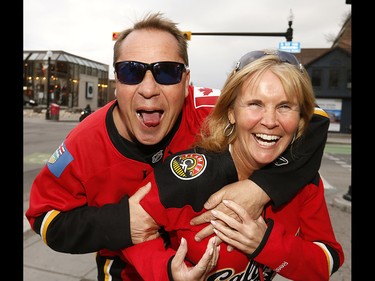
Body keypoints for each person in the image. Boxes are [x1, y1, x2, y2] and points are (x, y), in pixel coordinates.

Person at [25, 13, 330, 281]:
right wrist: (122, 222)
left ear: (186, 81)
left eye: (167, 71)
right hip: (127, 269)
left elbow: (309, 119)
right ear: (116, 80)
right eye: (131, 71)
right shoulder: (84, 142)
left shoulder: (212, 108)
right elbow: (44, 218)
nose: (148, 88)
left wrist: (260, 188)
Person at [122, 50, 344, 280]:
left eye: (285, 106)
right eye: (255, 104)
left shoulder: (302, 180)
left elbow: (327, 261)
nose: (269, 121)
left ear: (300, 118)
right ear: (231, 113)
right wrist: (168, 271)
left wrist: (265, 244)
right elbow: (131, 231)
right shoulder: (190, 172)